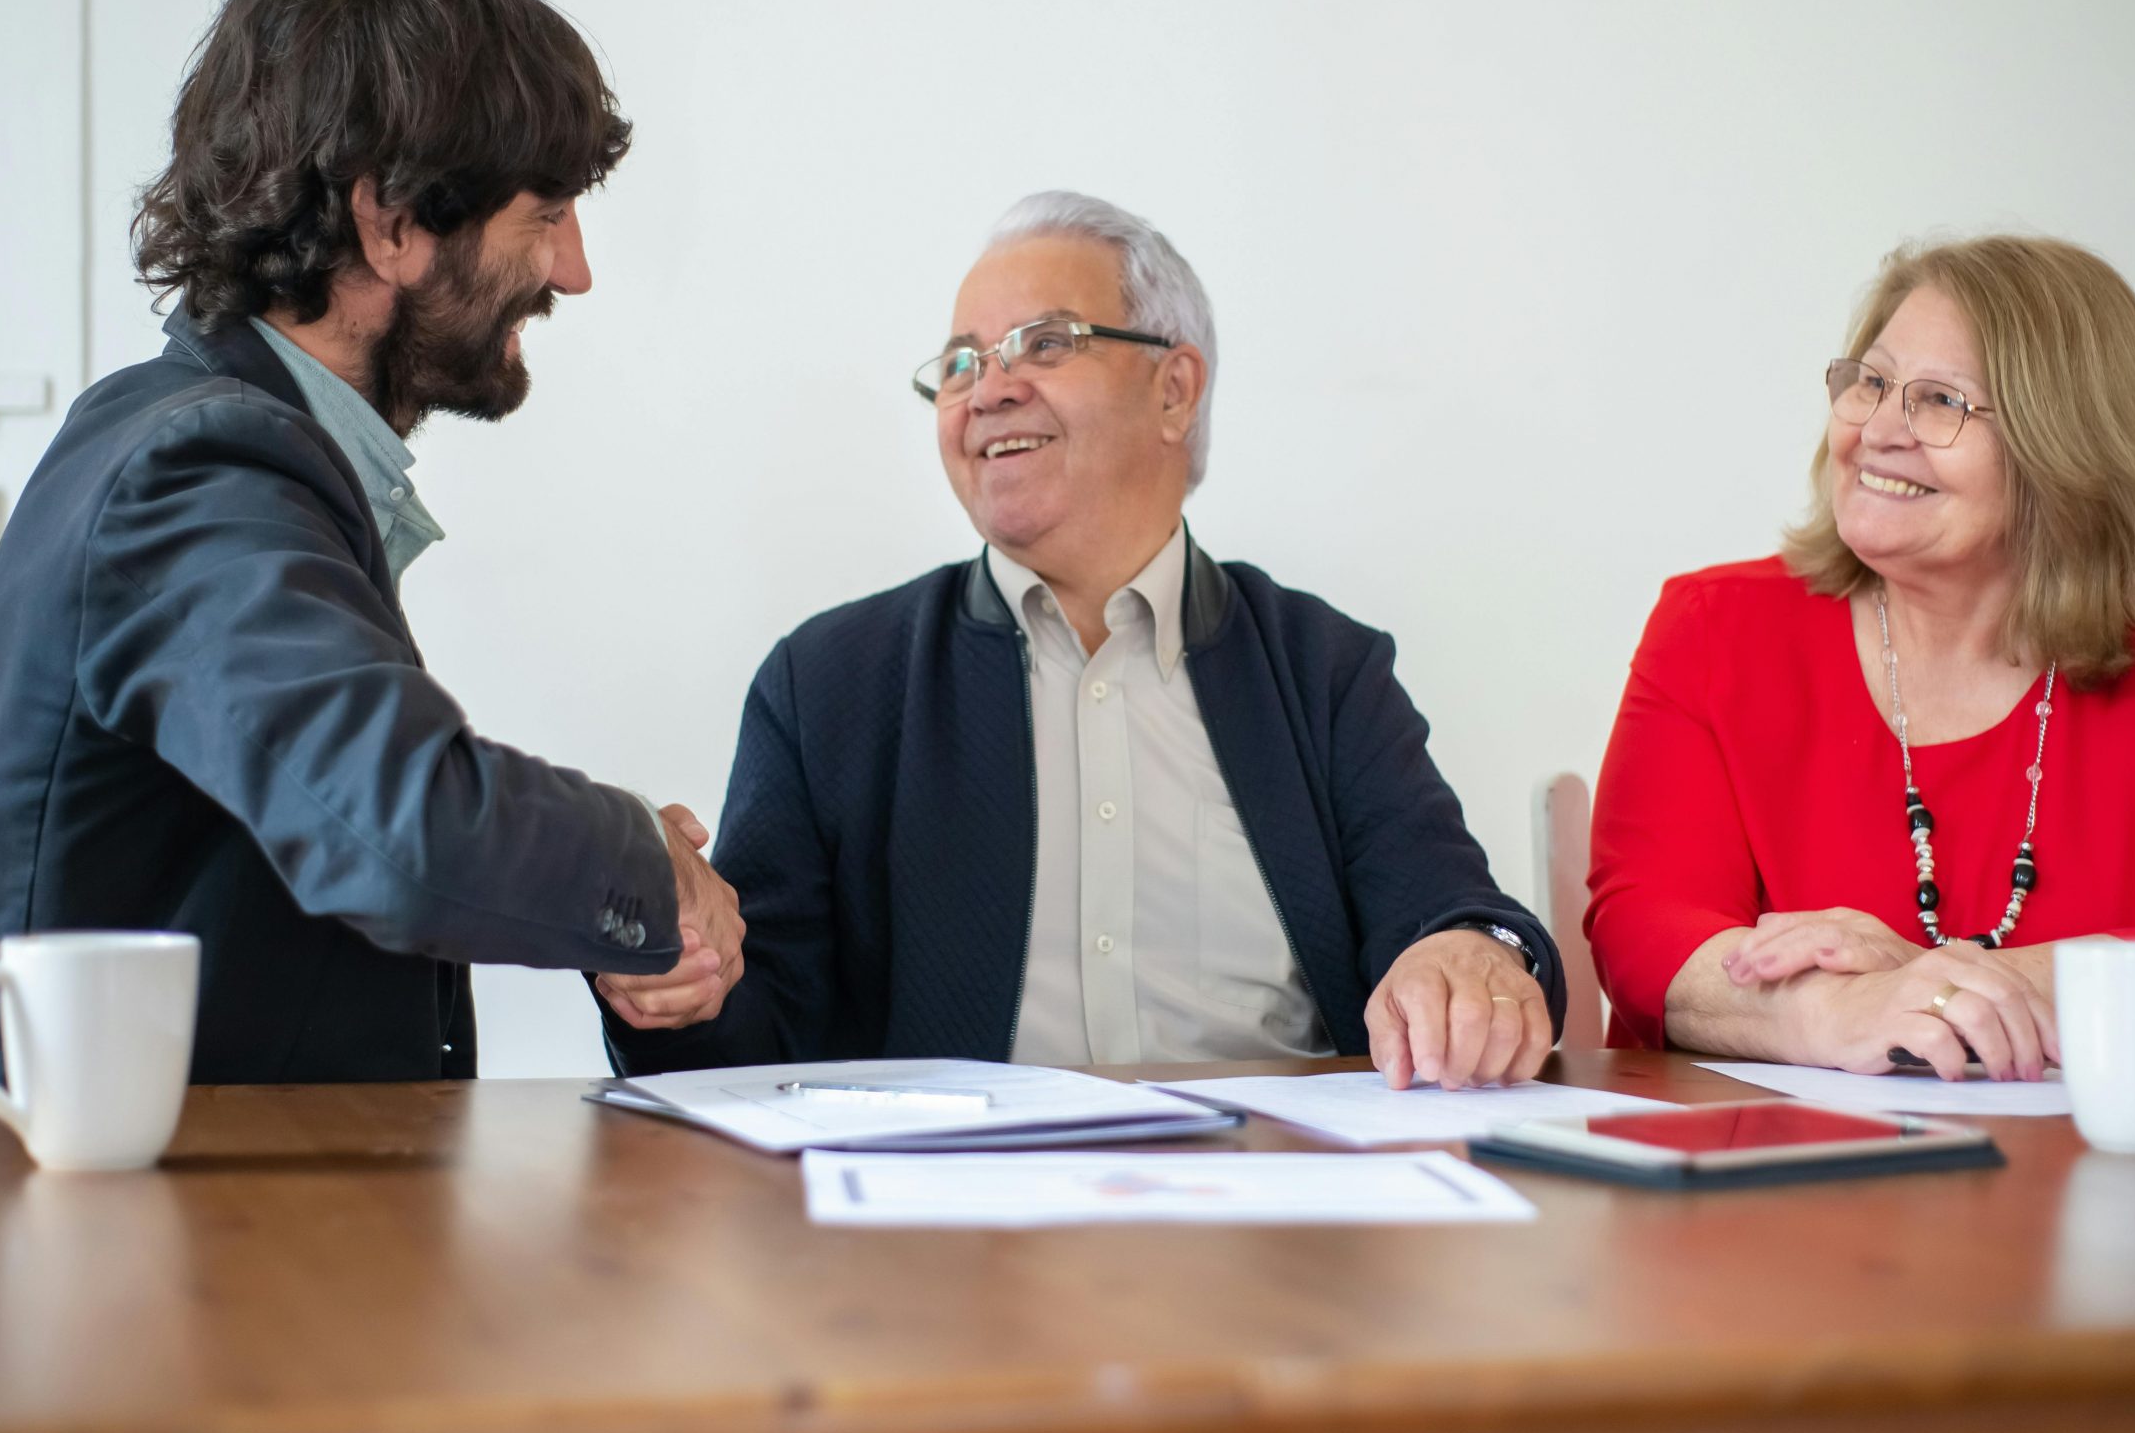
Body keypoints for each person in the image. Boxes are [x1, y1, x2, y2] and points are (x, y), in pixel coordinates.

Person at [0, 0, 743, 1089]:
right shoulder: (196, 470)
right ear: (390, 223)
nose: (573, 269)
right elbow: (400, 828)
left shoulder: (210, 443)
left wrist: (613, 906)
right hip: (109, 1244)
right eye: (543, 214)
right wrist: (642, 864)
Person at [603, 191, 1561, 1090]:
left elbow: (1456, 919)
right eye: (963, 362)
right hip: (947, 1231)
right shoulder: (828, 686)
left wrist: (1471, 961)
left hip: (1276, 1214)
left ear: (1175, 391)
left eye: (1043, 343)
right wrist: (672, 978)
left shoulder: (1326, 671)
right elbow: (749, 1046)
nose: (988, 390)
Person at [1586, 235, 2135, 1077]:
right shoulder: (1717, 628)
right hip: (1767, 1179)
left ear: (2068, 454)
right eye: (1870, 382)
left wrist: (1935, 983)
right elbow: (1645, 935)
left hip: (2075, 1186)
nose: (1877, 429)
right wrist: (1835, 1010)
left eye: (1940, 401)